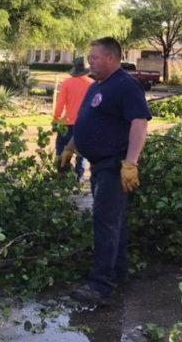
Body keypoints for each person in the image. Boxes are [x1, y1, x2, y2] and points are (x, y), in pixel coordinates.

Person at [60, 37, 151, 304]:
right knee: (115, 223)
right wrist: (70, 147)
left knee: (105, 222)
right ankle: (119, 273)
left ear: (111, 58)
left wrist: (131, 162)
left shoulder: (126, 85)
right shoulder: (97, 86)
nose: (90, 61)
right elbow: (86, 120)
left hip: (115, 165)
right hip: (99, 166)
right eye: (90, 57)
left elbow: (139, 123)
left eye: (95, 57)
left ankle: (100, 287)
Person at [53, 57, 93, 179]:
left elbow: (60, 103)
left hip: (67, 123)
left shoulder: (67, 83)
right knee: (81, 151)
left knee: (62, 148)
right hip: (85, 124)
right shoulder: (92, 85)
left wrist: (56, 118)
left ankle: (62, 173)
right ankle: (79, 176)